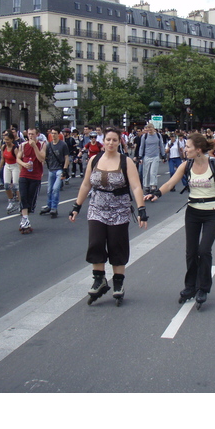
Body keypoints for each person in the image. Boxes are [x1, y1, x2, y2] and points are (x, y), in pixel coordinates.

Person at [145, 133, 215, 308]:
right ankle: (190, 287)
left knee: (204, 250)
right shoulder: (186, 165)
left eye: (188, 147)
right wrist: (156, 193)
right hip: (193, 212)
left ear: (198, 149)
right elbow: (170, 183)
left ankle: (203, 288)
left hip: (211, 213)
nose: (184, 149)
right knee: (191, 252)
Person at [69, 127, 148, 306]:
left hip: (119, 210)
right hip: (97, 207)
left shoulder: (126, 162)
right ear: (103, 141)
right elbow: (85, 185)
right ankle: (99, 280)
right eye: (108, 139)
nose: (111, 143)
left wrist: (142, 209)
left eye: (114, 140)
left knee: (116, 246)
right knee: (95, 243)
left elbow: (136, 187)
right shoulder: (94, 160)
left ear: (119, 141)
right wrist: (76, 206)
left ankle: (118, 283)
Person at [16, 127, 46, 233]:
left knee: (30, 200)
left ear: (37, 134)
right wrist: (24, 164)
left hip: (35, 176)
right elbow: (18, 158)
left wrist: (34, 147)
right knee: (23, 197)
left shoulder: (42, 145)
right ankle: (25, 220)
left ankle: (25, 218)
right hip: (24, 175)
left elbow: (41, 158)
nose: (30, 136)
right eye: (29, 134)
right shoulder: (23, 145)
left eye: (32, 134)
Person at [40, 126, 70, 218]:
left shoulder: (63, 145)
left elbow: (66, 158)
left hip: (59, 169)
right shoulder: (48, 145)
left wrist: (65, 170)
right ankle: (49, 206)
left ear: (58, 134)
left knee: (55, 189)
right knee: (49, 190)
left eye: (55, 133)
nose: (53, 135)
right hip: (51, 169)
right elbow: (43, 157)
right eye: (52, 133)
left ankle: (54, 208)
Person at [0, 130, 21, 214]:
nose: (6, 141)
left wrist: (21, 170)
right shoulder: (3, 147)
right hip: (7, 166)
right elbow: (3, 158)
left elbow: (18, 159)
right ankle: (11, 201)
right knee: (6, 185)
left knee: (15, 186)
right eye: (5, 140)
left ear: (11, 140)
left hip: (15, 166)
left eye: (7, 140)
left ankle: (21, 203)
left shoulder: (15, 148)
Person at [138, 124, 165, 194]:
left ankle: (153, 186)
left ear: (153, 128)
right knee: (146, 172)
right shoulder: (145, 136)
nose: (149, 130)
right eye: (148, 129)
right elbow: (142, 146)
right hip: (147, 156)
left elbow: (161, 145)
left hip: (155, 156)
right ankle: (146, 186)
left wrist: (163, 155)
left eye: (150, 129)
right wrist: (140, 156)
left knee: (153, 172)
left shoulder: (158, 135)